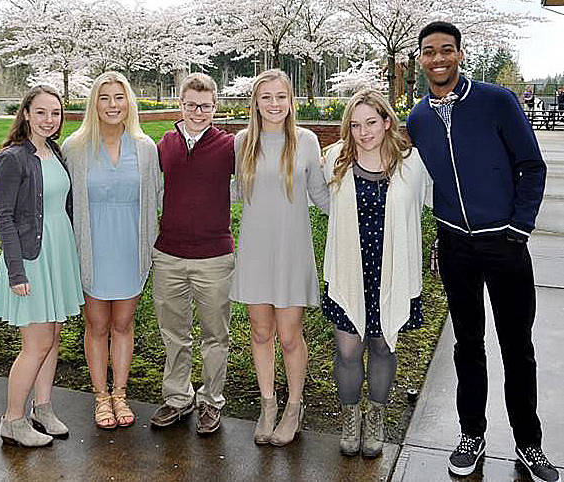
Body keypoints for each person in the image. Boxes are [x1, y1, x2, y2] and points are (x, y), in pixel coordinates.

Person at [408, 21, 559, 482]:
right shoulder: (417, 119)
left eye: (446, 50)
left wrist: (519, 227)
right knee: (467, 345)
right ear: (420, 58)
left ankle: (529, 442)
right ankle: (471, 434)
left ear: (459, 53)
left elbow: (531, 166)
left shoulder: (496, 100)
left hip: (505, 245)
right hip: (455, 247)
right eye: (430, 51)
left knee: (518, 347)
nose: (439, 59)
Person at [322, 89, 431, 458]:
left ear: (387, 122)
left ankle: (377, 417)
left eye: (371, 122)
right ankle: (350, 417)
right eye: (355, 125)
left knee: (383, 345)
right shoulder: (335, 159)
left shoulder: (411, 163)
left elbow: (426, 204)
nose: (363, 132)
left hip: (392, 269)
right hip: (351, 268)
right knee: (348, 349)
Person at [230, 69, 329, 447]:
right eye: (266, 97)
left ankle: (294, 405)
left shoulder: (306, 141)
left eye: (280, 97)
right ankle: (268, 404)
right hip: (255, 249)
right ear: (255, 102)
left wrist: (360, 206)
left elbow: (321, 196)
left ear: (291, 101)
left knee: (289, 336)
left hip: (292, 249)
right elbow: (234, 193)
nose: (274, 104)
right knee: (260, 332)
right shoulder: (242, 142)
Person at [62, 72, 162, 430]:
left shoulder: (146, 148)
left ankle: (120, 393)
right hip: (92, 246)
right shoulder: (75, 147)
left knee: (123, 323)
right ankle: (100, 396)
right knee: (97, 324)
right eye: (104, 98)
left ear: (129, 102)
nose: (112, 105)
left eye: (119, 97)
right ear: (94, 104)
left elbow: (157, 198)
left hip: (130, 247)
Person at [0, 85, 83, 446]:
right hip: (31, 258)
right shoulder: (13, 158)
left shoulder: (54, 152)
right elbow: (4, 218)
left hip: (57, 255)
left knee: (53, 337)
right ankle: (12, 420)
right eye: (41, 112)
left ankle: (42, 409)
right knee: (37, 342)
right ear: (26, 113)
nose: (49, 119)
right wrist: (17, 271)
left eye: (55, 113)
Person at [149, 73, 235, 435]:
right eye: (191, 105)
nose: (198, 112)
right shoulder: (164, 144)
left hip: (214, 256)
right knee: (174, 332)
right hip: (169, 253)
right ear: (180, 104)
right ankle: (178, 397)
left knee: (215, 335)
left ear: (216, 107)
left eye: (205, 106)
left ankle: (211, 401)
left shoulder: (230, 146)